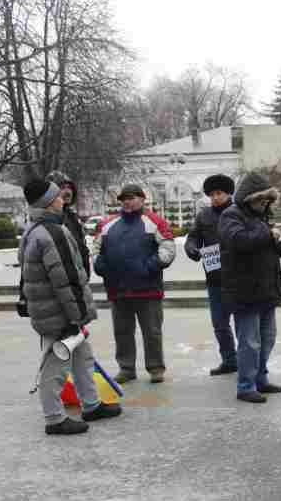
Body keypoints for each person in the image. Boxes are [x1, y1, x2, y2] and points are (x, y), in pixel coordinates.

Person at [20, 178, 122, 435]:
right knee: (56, 366)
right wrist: (76, 317)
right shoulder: (53, 232)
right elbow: (66, 279)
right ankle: (54, 418)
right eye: (56, 196)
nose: (61, 199)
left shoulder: (34, 229)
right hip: (60, 314)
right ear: (47, 202)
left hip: (52, 310)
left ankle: (91, 404)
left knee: (82, 357)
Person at [218, 173, 281, 404]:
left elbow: (277, 243)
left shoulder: (263, 216)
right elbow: (237, 240)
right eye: (260, 201)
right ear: (249, 199)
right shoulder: (231, 215)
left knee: (267, 338)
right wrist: (269, 234)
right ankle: (245, 385)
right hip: (244, 290)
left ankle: (260, 377)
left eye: (266, 201)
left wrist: (280, 240)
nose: (263, 205)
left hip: (267, 288)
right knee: (250, 341)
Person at [94, 184, 176, 384]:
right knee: (122, 333)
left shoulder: (156, 222)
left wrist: (149, 267)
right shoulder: (107, 225)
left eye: (131, 198)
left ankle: (156, 368)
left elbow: (168, 248)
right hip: (118, 290)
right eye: (124, 199)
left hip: (147, 289)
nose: (127, 202)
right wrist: (101, 265)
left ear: (142, 199)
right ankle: (126, 368)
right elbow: (96, 250)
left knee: (152, 332)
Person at [185, 174, 238, 376]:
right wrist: (191, 249)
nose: (216, 197)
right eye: (212, 194)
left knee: (243, 325)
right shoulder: (204, 216)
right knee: (220, 324)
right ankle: (229, 360)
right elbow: (193, 237)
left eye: (220, 193)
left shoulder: (239, 212)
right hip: (215, 279)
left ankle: (247, 361)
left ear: (228, 193)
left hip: (238, 278)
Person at [44, 170, 91, 280]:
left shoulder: (72, 217)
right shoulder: (47, 218)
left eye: (69, 187)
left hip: (78, 281)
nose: (68, 191)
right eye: (62, 187)